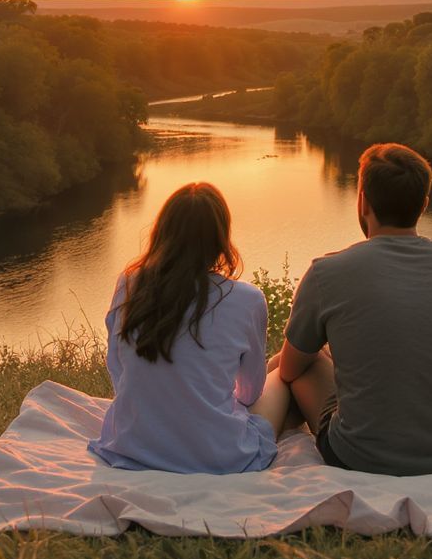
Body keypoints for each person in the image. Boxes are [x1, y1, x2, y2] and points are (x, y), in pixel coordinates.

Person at [277, 143, 432, 476]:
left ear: (363, 201)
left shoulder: (327, 273)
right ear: (423, 205)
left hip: (361, 457)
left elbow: (290, 369)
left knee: (301, 363)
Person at [89, 182, 289, 473]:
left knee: (279, 365)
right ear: (220, 238)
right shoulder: (247, 299)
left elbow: (119, 372)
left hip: (132, 446)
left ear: (162, 232)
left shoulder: (130, 284)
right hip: (217, 456)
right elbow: (249, 394)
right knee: (283, 375)